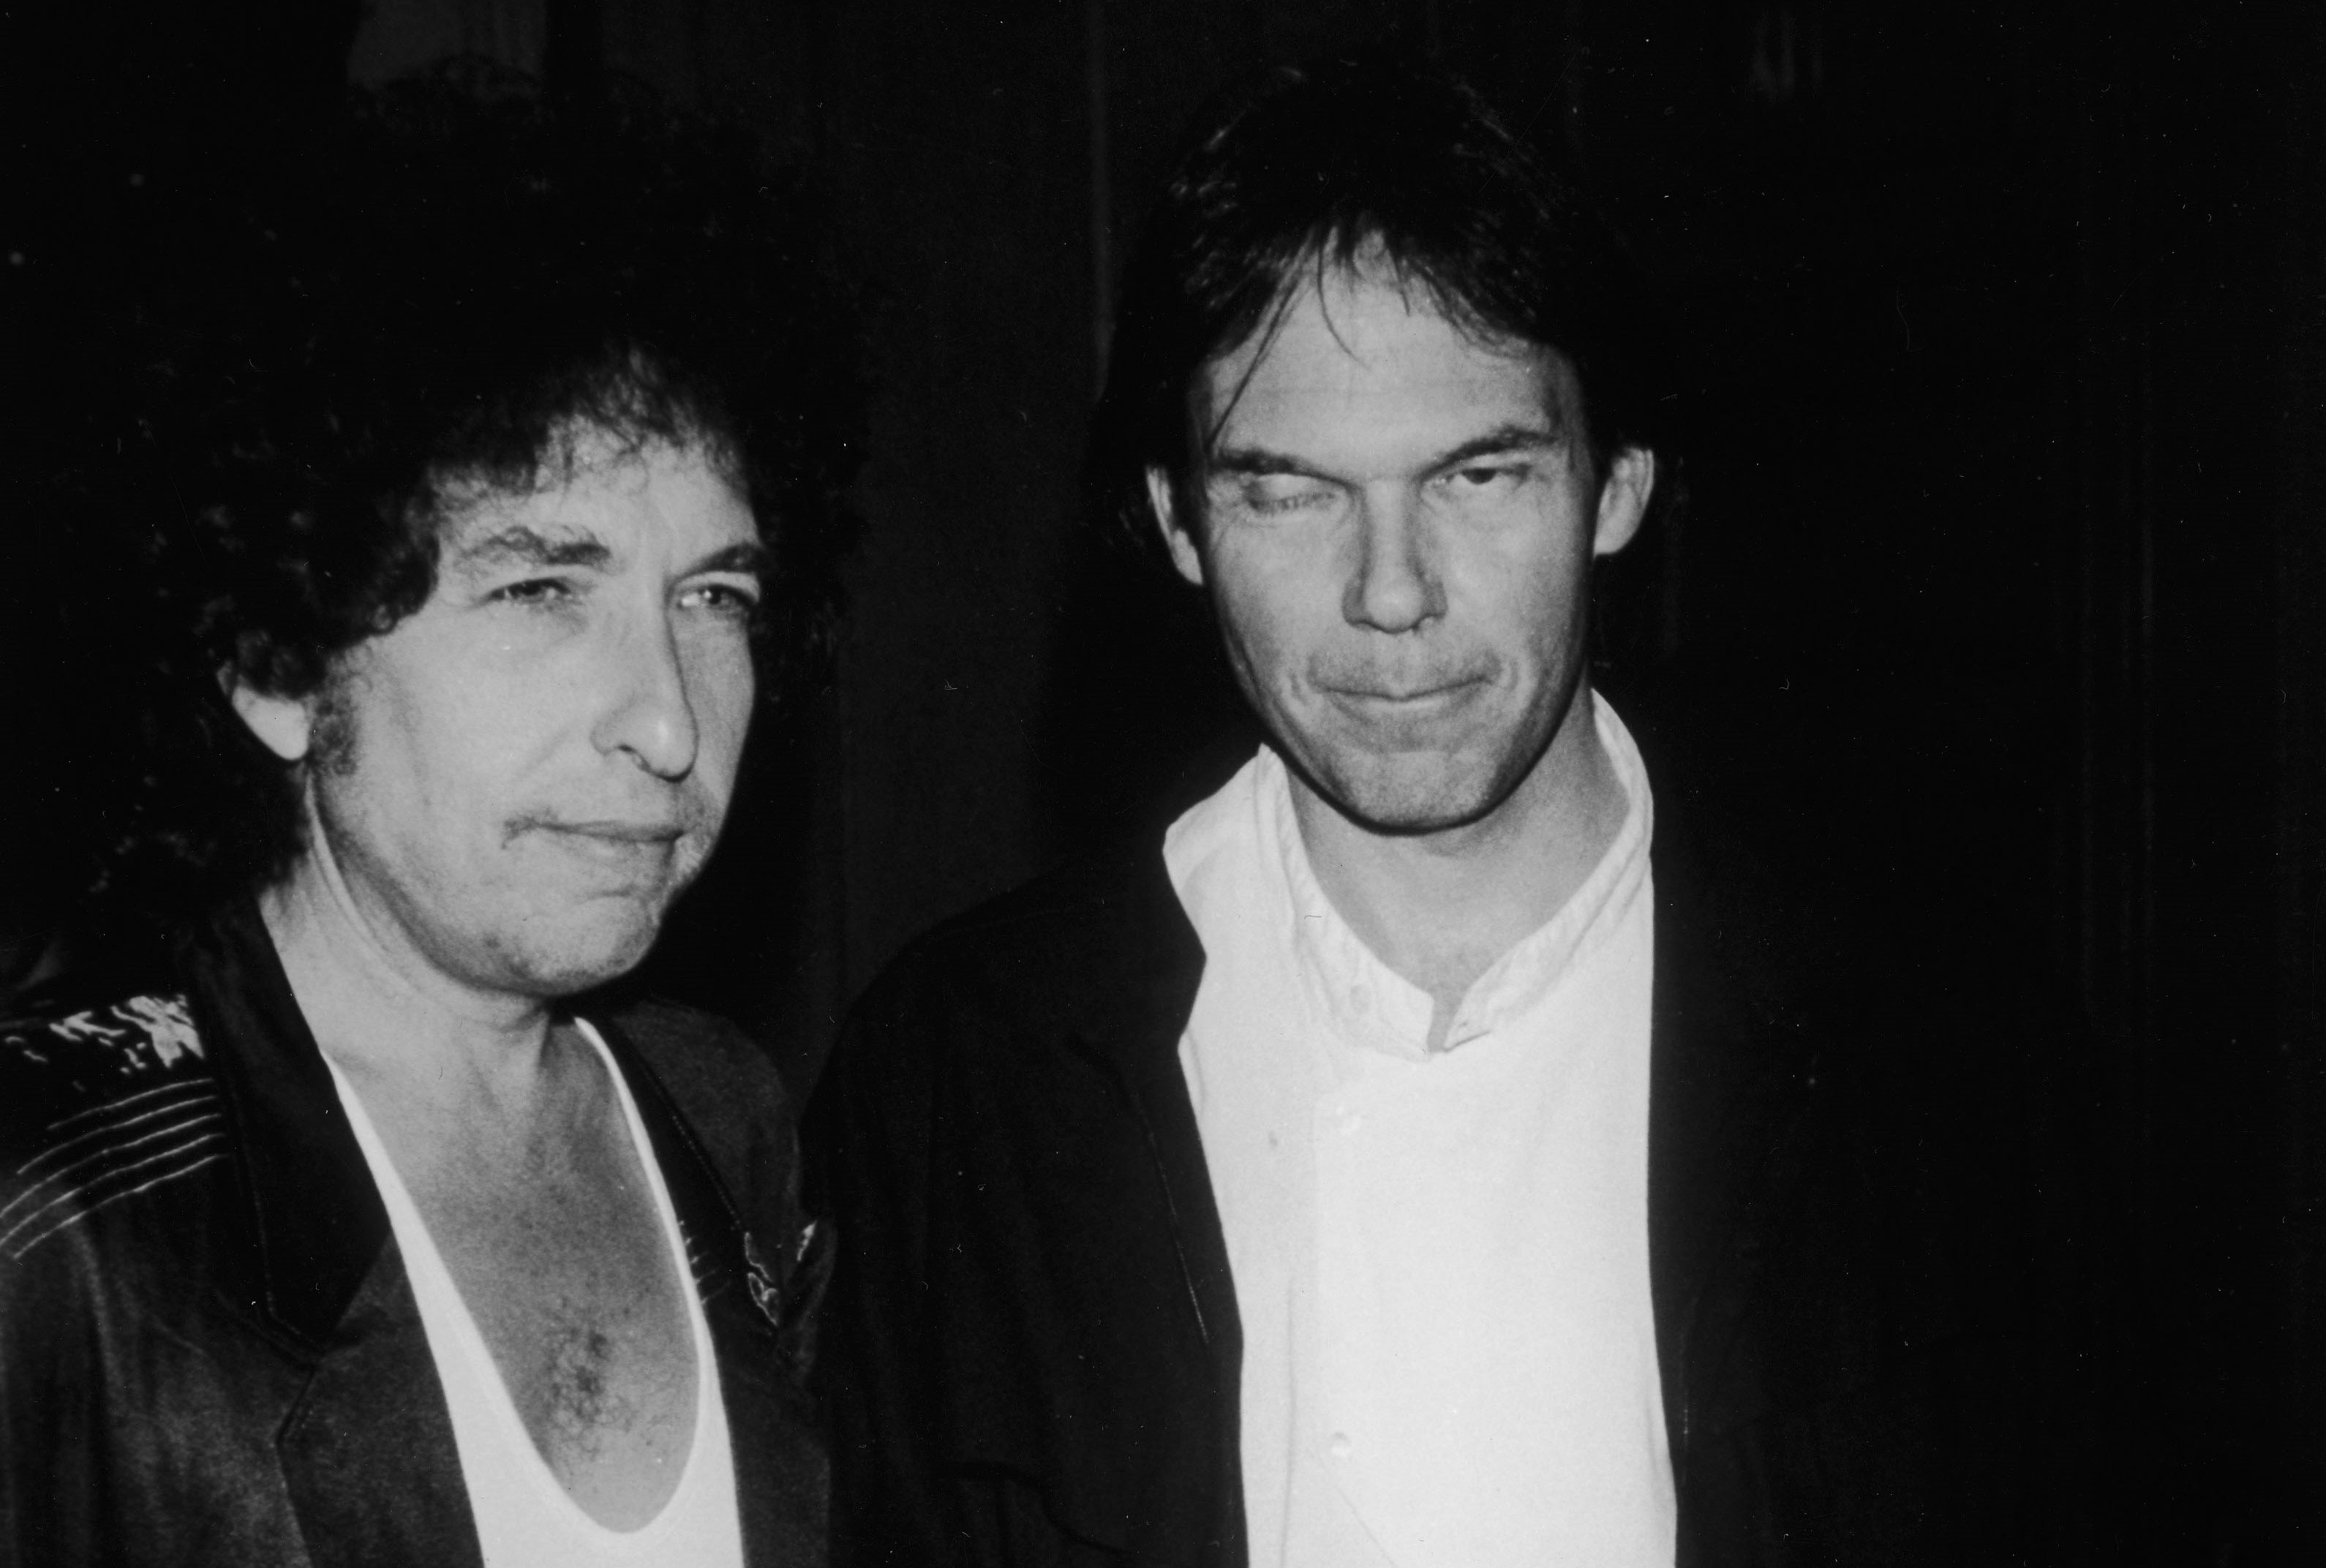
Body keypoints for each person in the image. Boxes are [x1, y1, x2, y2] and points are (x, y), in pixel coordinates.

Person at [815, 56, 2114, 1567]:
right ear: (1177, 521)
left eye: (1480, 476)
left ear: (1618, 485)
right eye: (1289, 491)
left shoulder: (1936, 1055)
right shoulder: (954, 1083)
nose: (1392, 592)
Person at [0, 73, 857, 1567]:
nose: (668, 725)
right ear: (278, 663)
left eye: (712, 596)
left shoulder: (721, 1121)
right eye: (541, 588)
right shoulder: (52, 1211)